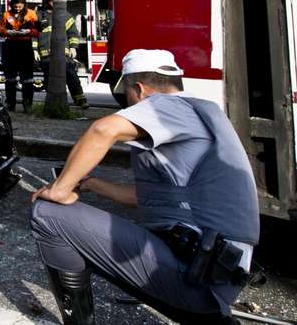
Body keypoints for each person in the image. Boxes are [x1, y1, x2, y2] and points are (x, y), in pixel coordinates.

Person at [29, 49, 258, 324]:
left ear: (138, 89)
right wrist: (92, 185)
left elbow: (102, 130)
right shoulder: (200, 111)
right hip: (215, 275)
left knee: (47, 214)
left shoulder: (166, 105)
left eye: (126, 93)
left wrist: (59, 189)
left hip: (196, 277)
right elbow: (147, 197)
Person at [34, 0, 89, 109]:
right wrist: (34, 50)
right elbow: (34, 35)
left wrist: (74, 48)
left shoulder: (65, 15)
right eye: (52, 1)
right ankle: (54, 104)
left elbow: (73, 34)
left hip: (63, 54)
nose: (54, 3)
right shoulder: (38, 16)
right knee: (49, 81)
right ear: (46, 1)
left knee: (72, 76)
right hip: (46, 55)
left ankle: (80, 100)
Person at [0, 0, 39, 111]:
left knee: (27, 78)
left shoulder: (31, 14)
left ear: (24, 5)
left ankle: (28, 105)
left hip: (25, 47)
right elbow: (0, 28)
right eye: (15, 7)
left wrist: (28, 32)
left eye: (20, 7)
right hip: (10, 47)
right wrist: (7, 32)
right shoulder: (6, 15)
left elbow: (37, 30)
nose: (17, 9)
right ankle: (11, 104)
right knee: (10, 78)